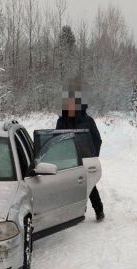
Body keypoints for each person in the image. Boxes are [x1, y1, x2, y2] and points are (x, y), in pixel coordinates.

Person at [55, 80, 105, 221]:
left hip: (85, 159)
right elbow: (57, 139)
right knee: (70, 186)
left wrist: (92, 156)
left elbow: (97, 140)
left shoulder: (87, 121)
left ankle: (99, 210)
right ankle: (77, 211)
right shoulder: (61, 121)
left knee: (89, 185)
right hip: (67, 159)